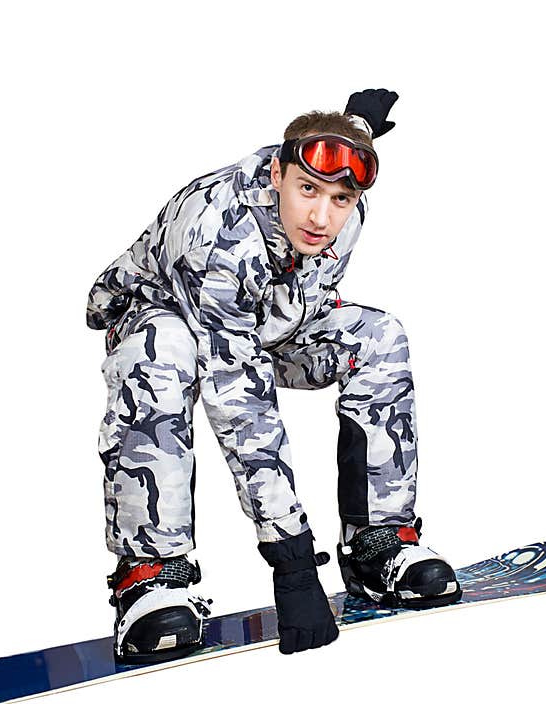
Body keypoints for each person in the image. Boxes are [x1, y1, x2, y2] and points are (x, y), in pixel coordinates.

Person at [86, 89, 461, 663]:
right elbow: (240, 403)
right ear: (276, 172)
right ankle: (151, 575)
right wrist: (291, 560)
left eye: (340, 197)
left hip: (269, 320)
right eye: (307, 190)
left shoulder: (339, 205)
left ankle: (378, 545)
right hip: (165, 311)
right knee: (164, 352)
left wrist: (354, 124)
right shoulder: (218, 233)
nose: (321, 216)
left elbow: (331, 167)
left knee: (378, 336)